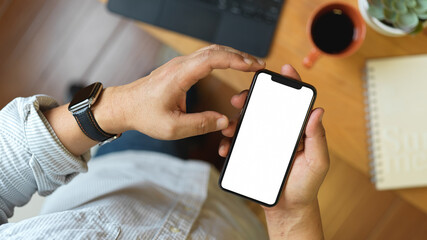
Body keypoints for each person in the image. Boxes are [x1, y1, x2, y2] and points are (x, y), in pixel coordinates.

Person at [0, 45, 329, 239]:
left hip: (126, 170)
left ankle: (89, 99)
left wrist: (114, 107)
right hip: (234, 221)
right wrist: (290, 215)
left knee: (177, 92)